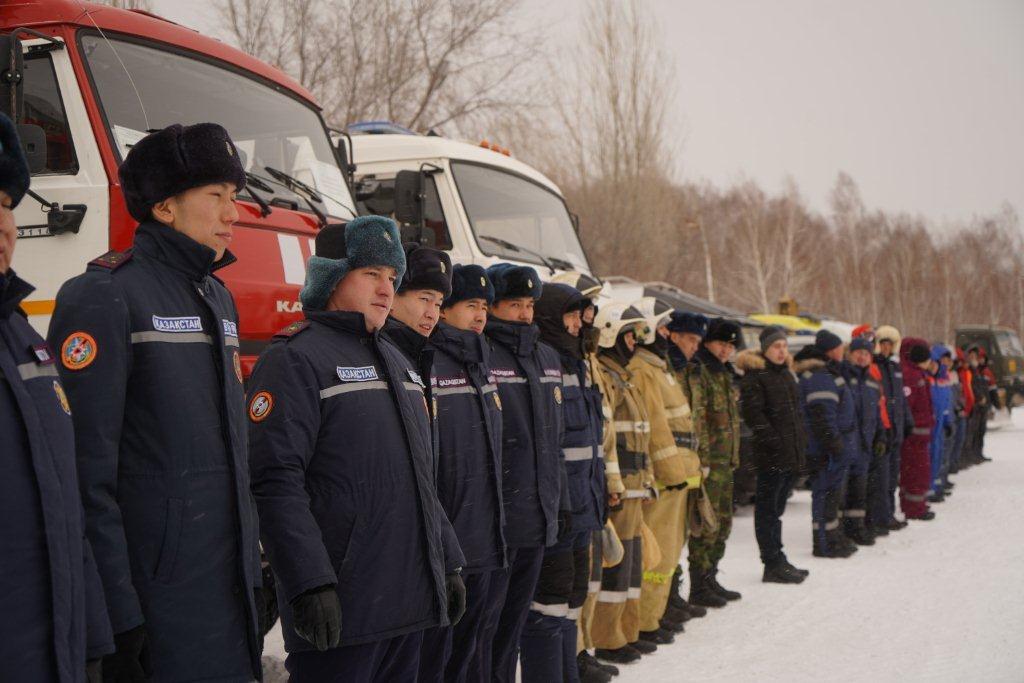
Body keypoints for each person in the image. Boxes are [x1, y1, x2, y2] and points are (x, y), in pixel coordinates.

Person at [48, 123, 264, 680]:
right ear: (165, 207)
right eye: (215, 197)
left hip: (225, 589)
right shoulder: (104, 295)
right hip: (154, 600)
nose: (232, 213)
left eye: (233, 197)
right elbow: (82, 473)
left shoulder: (217, 297)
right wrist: (116, 615)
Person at [247, 217, 465, 682]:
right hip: (344, 609)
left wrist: (447, 559)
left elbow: (419, 478)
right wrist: (309, 583)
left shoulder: (397, 360)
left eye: (392, 277)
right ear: (331, 275)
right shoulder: (294, 359)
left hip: (407, 602)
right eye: (371, 274)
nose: (386, 289)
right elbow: (274, 480)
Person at [0, 112, 114, 682]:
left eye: (5, 206)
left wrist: (92, 634)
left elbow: (65, 504)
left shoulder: (23, 337)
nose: (4, 225)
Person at [481, 263, 568, 683]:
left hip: (537, 518)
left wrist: (559, 505)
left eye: (529, 305)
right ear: (492, 305)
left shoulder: (546, 355)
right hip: (498, 523)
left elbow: (556, 443)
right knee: (487, 632)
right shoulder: (482, 353)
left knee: (515, 625)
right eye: (514, 304)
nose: (524, 314)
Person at [522, 281, 606, 683]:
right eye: (572, 316)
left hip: (584, 506)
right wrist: (559, 505)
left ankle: (568, 673)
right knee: (549, 604)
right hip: (559, 509)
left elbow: (592, 441)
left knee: (573, 599)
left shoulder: (577, 363)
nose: (578, 324)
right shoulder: (548, 362)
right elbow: (550, 443)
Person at [628, 298, 703, 642]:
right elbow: (656, 429)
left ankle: (654, 615)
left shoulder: (660, 369)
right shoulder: (644, 370)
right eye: (660, 329)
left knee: (669, 554)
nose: (666, 335)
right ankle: (644, 622)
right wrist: (671, 473)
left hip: (681, 476)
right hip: (666, 478)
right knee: (654, 557)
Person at [590, 302, 656, 665]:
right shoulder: (606, 375)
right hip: (618, 489)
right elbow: (608, 437)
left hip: (633, 486)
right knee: (612, 569)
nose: (634, 342)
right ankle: (606, 638)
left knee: (630, 567)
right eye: (629, 335)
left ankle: (624, 632)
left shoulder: (622, 377)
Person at [736, 325, 809, 583]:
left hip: (789, 456)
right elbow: (755, 417)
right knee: (767, 512)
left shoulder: (786, 376)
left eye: (784, 346)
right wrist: (776, 444)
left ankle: (779, 558)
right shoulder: (755, 377)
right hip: (771, 458)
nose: (781, 351)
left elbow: (796, 417)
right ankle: (771, 562)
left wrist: (799, 448)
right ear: (766, 349)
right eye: (776, 347)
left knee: (776, 511)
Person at [684, 318, 743, 605]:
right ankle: (699, 583)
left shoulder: (725, 374)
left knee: (723, 523)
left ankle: (711, 575)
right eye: (721, 344)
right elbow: (700, 419)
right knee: (706, 524)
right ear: (708, 343)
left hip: (725, 462)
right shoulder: (702, 371)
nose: (725, 350)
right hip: (710, 462)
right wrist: (703, 460)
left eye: (731, 346)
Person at [662, 311, 710, 620]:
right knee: (664, 537)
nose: (695, 346)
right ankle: (662, 602)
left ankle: (672, 595)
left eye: (697, 341)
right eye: (691, 339)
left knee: (678, 534)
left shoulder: (690, 370)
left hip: (688, 464)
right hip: (667, 467)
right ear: (673, 336)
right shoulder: (663, 368)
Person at [794, 330, 858, 558]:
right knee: (825, 495)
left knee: (832, 496)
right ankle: (824, 543)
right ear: (832, 350)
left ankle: (833, 537)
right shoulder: (821, 376)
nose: (844, 351)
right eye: (841, 347)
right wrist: (835, 445)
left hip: (833, 448)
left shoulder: (828, 372)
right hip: (826, 450)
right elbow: (823, 416)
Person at [840, 337, 885, 546]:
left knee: (860, 489)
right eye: (858, 352)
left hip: (865, 445)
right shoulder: (842, 377)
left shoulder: (872, 383)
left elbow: (877, 413)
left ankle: (857, 527)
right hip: (846, 443)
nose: (862, 357)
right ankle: (841, 530)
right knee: (843, 490)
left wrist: (880, 435)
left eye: (866, 354)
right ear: (850, 354)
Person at [874, 325, 912, 532]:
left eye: (889, 344)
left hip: (896, 430)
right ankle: (882, 515)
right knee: (881, 477)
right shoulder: (875, 367)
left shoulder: (894, 369)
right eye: (883, 344)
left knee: (892, 477)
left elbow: (901, 399)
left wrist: (908, 420)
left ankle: (889, 513)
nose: (886, 348)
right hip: (883, 430)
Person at [898, 338, 937, 521]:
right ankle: (914, 508)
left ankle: (915, 504)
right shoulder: (911, 375)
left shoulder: (916, 373)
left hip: (919, 434)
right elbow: (909, 405)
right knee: (916, 472)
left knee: (916, 471)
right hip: (914, 435)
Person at [927, 345, 954, 504]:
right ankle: (928, 488)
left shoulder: (942, 379)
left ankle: (936, 485)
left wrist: (947, 420)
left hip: (938, 424)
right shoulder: (927, 379)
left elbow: (945, 404)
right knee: (929, 457)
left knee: (937, 455)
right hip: (929, 424)